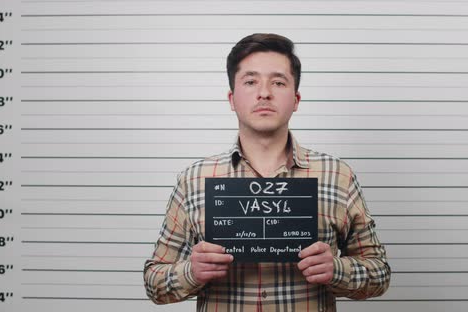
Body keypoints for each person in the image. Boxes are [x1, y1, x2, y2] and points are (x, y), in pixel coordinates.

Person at [144, 33, 391, 311]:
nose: (264, 93)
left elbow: (379, 274)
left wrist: (337, 270)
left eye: (278, 82)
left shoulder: (338, 175)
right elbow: (154, 283)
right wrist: (191, 272)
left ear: (296, 99)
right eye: (250, 81)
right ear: (232, 98)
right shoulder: (194, 180)